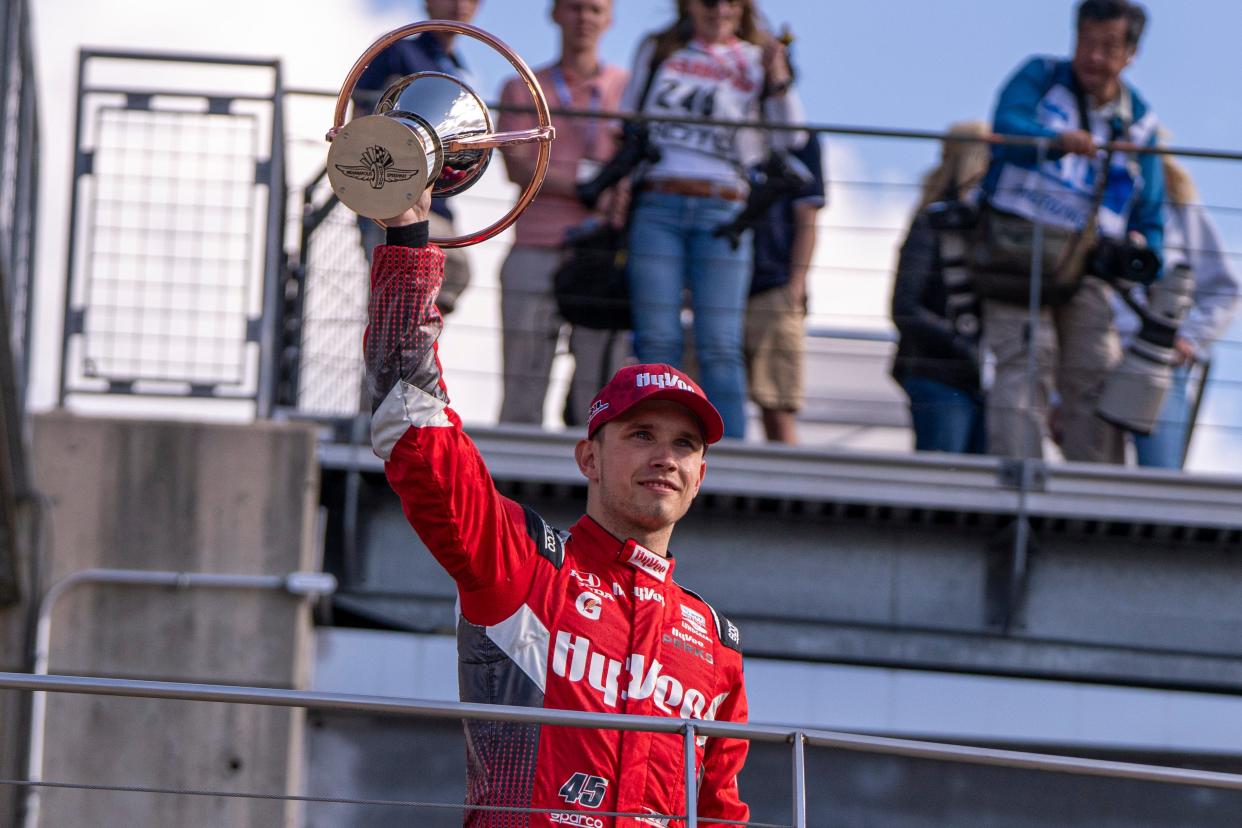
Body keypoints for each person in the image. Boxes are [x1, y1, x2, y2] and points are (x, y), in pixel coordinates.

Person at [364, 190, 750, 824]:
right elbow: (411, 423)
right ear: (589, 460)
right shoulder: (521, 562)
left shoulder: (715, 642)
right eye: (641, 436)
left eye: (685, 445)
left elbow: (722, 813)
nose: (666, 458)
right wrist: (409, 240)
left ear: (700, 475)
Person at [977, 0, 1164, 463]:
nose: (1094, 57)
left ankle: (1092, 497)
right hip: (1017, 253)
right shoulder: (1040, 77)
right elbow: (1006, 129)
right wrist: (1056, 143)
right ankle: (1019, 490)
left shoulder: (1140, 122)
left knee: (1095, 375)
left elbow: (1152, 214)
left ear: (1131, 54)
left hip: (1089, 267)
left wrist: (1142, 247)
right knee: (1026, 363)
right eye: (1086, 42)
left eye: (1108, 47)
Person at [622, 0, 805, 439]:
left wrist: (779, 78)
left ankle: (729, 450)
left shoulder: (757, 56)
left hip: (724, 206)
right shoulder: (659, 48)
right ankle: (649, 439)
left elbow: (793, 136)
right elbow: (628, 117)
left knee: (720, 342)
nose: (717, 9)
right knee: (657, 338)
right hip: (659, 200)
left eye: (728, 1)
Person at [496, 0, 631, 426]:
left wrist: (607, 192)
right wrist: (587, 188)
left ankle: (594, 482)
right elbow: (518, 165)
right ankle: (512, 479)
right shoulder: (523, 86)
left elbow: (637, 166)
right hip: (536, 244)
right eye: (574, 8)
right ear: (555, 15)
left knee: (601, 387)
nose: (584, 19)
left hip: (601, 254)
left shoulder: (627, 88)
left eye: (594, 9)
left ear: (609, 20)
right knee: (523, 380)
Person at [350, 0, 480, 315]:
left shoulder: (456, 68)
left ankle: (413, 352)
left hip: (438, 200)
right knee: (396, 297)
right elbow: (360, 117)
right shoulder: (396, 52)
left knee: (447, 279)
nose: (460, 4)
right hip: (394, 199)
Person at [1113, 155, 1240, 468]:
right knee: (1091, 476)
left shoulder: (1177, 207)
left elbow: (1226, 287)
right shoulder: (1077, 196)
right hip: (1087, 354)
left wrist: (1190, 338)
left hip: (1157, 362)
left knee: (1159, 472)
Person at [890, 123, 992, 454]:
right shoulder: (933, 224)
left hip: (976, 375)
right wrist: (960, 340)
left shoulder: (981, 227)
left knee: (976, 486)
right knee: (944, 479)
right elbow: (905, 305)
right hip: (938, 372)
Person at [744, 133, 824, 445]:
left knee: (778, 406)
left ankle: (789, 491)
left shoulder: (801, 139)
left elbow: (807, 216)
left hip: (774, 286)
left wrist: (795, 285)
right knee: (704, 406)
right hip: (718, 287)